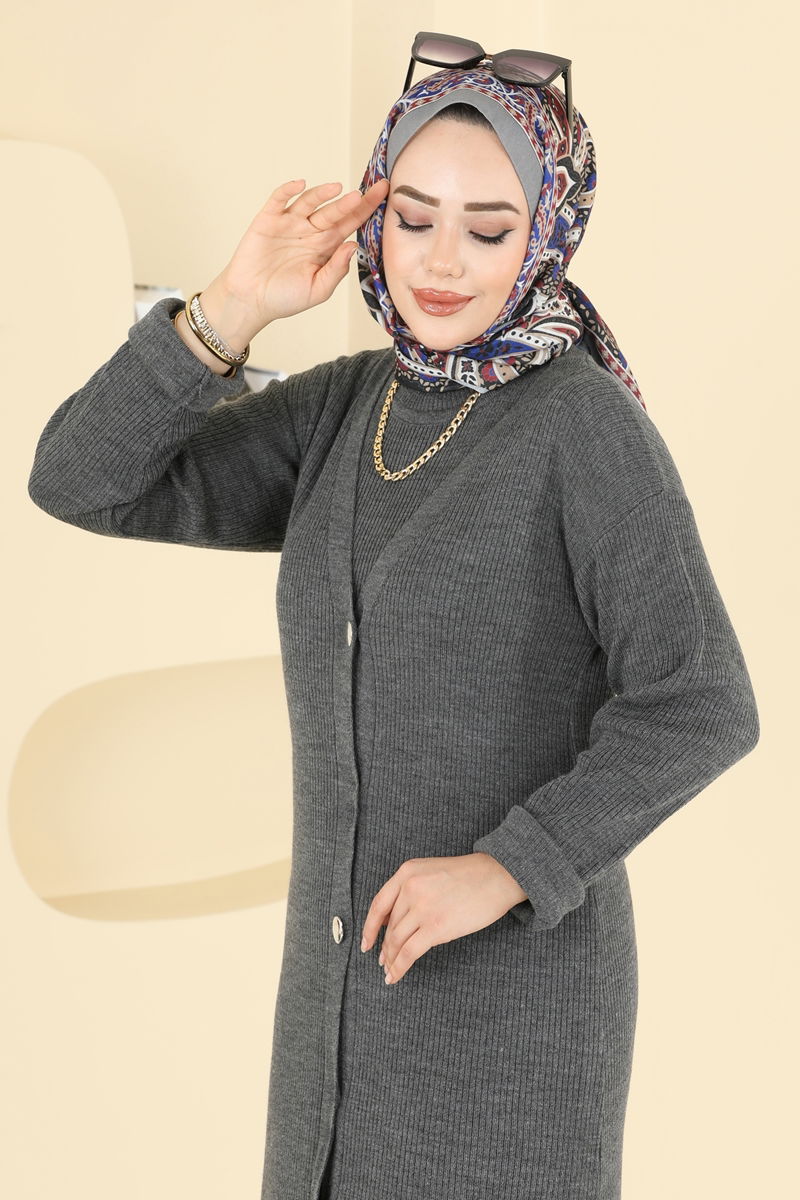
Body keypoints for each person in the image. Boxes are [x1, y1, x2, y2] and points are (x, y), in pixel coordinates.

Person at [27, 47, 760, 1200]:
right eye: (412, 218)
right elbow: (83, 482)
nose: (440, 260)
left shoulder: (580, 426)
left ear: (545, 235)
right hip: (330, 1027)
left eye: (487, 229)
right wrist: (230, 308)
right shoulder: (345, 407)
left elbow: (699, 697)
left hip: (505, 1028)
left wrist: (508, 865)